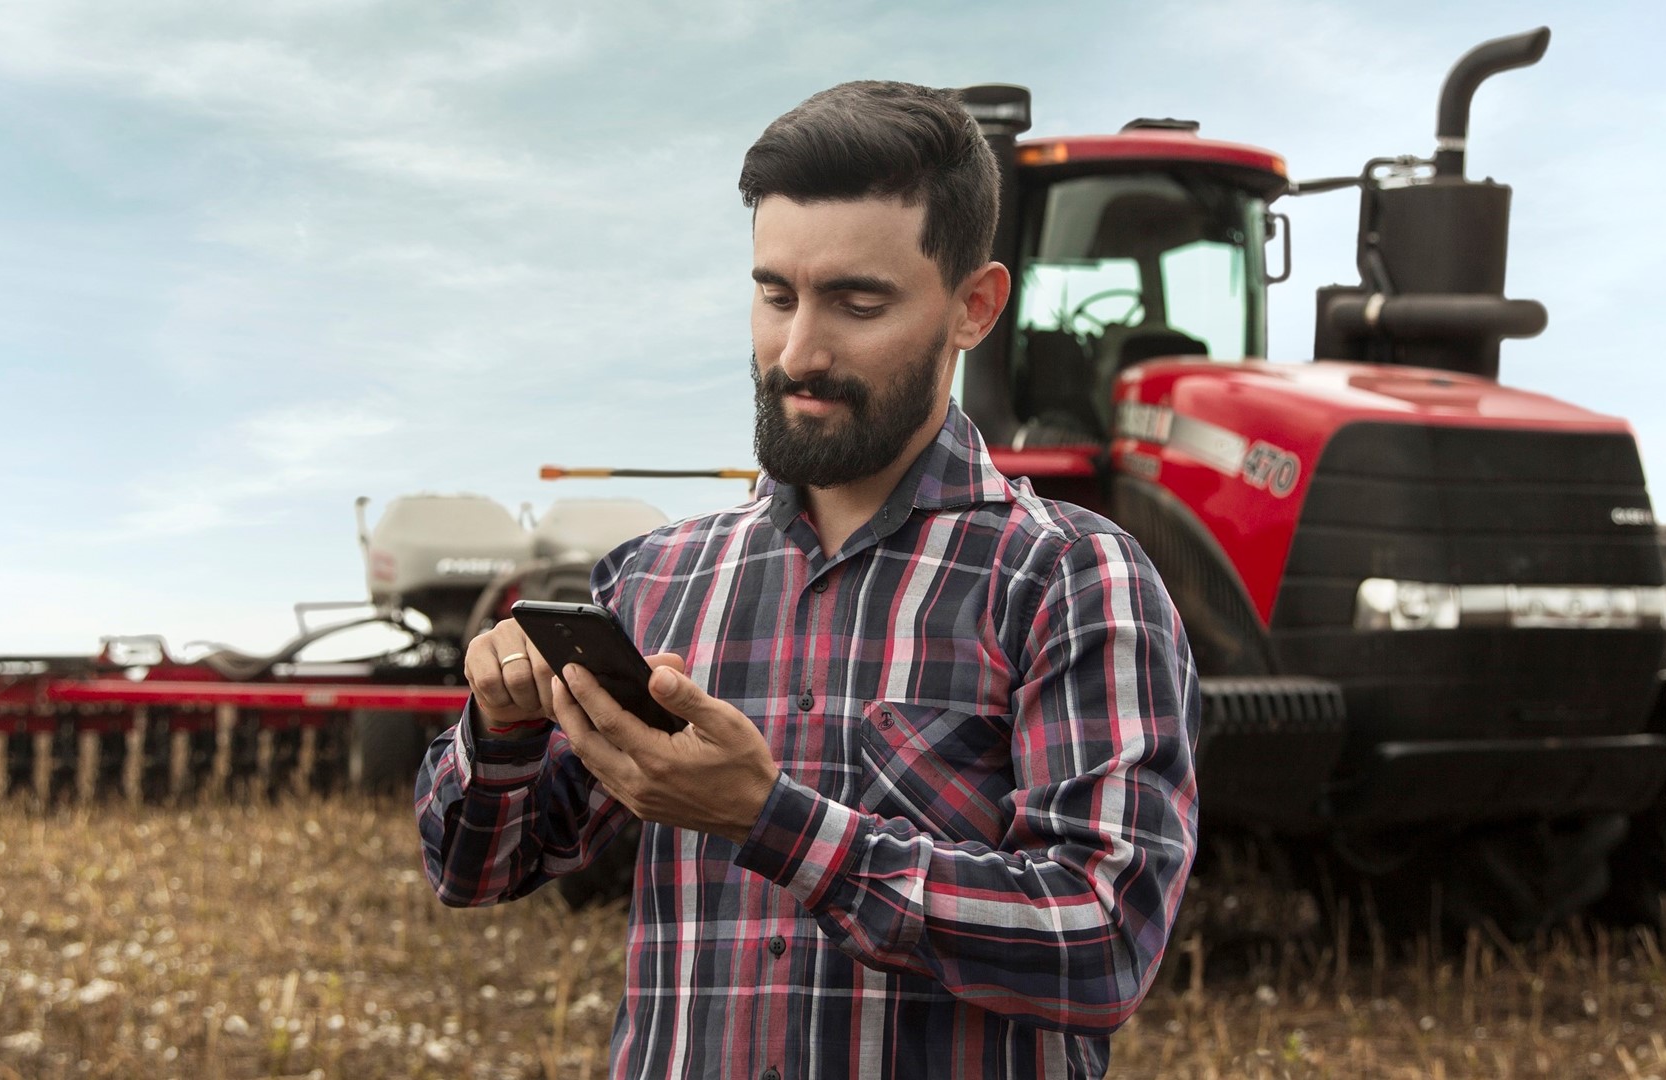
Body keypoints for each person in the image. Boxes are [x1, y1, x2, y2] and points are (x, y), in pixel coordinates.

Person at [417, 79, 1200, 1080]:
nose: (798, 351)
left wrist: (771, 821)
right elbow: (475, 870)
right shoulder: (658, 580)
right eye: (776, 295)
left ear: (975, 307)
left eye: (856, 302)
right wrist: (502, 729)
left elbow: (1103, 944)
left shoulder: (1071, 580)